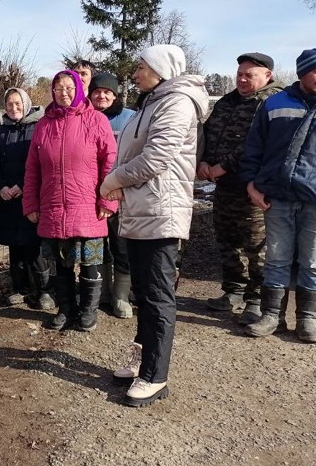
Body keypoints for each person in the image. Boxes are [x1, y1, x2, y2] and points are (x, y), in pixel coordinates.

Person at [100, 44, 209, 407]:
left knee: (159, 295)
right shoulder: (155, 101)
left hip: (161, 213)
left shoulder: (176, 103)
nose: (135, 73)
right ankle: (142, 360)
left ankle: (155, 375)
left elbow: (155, 159)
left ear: (160, 69)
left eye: (141, 67)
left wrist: (114, 180)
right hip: (144, 210)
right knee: (144, 293)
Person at [240, 48, 316, 344]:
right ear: (302, 72)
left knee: (313, 260)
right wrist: (251, 183)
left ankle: (308, 320)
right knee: (277, 258)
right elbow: (254, 148)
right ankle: (272, 315)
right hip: (277, 197)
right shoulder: (274, 103)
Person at [24, 70, 117, 332]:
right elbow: (33, 168)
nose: (63, 93)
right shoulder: (44, 124)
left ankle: (88, 312)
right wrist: (30, 203)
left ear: (79, 89)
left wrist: (108, 200)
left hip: (87, 205)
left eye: (69, 88)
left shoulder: (96, 120)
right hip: (52, 205)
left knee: (90, 262)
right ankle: (66, 309)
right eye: (57, 88)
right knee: (59, 264)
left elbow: (110, 162)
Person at [199, 53, 280, 325]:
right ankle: (232, 291)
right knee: (227, 241)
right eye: (239, 74)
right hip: (224, 186)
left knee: (256, 246)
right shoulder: (228, 101)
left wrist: (225, 165)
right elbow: (209, 132)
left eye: (249, 75)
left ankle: (256, 301)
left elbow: (256, 142)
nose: (242, 79)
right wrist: (204, 161)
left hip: (252, 189)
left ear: (267, 75)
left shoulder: (270, 102)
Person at [0, 88, 50, 308]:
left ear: (26, 104)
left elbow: (42, 162)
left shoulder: (38, 127)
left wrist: (24, 187)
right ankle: (19, 288)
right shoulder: (2, 131)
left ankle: (44, 290)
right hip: (8, 197)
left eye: (17, 104)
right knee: (14, 245)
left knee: (32, 244)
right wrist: (1, 187)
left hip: (30, 195)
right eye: (9, 104)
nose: (13, 108)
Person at [88, 72, 136, 318]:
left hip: (120, 192)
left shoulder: (129, 119)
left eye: (107, 91)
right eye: (97, 91)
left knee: (121, 244)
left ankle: (120, 295)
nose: (102, 95)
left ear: (115, 95)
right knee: (96, 245)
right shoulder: (85, 117)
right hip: (89, 192)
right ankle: (101, 291)